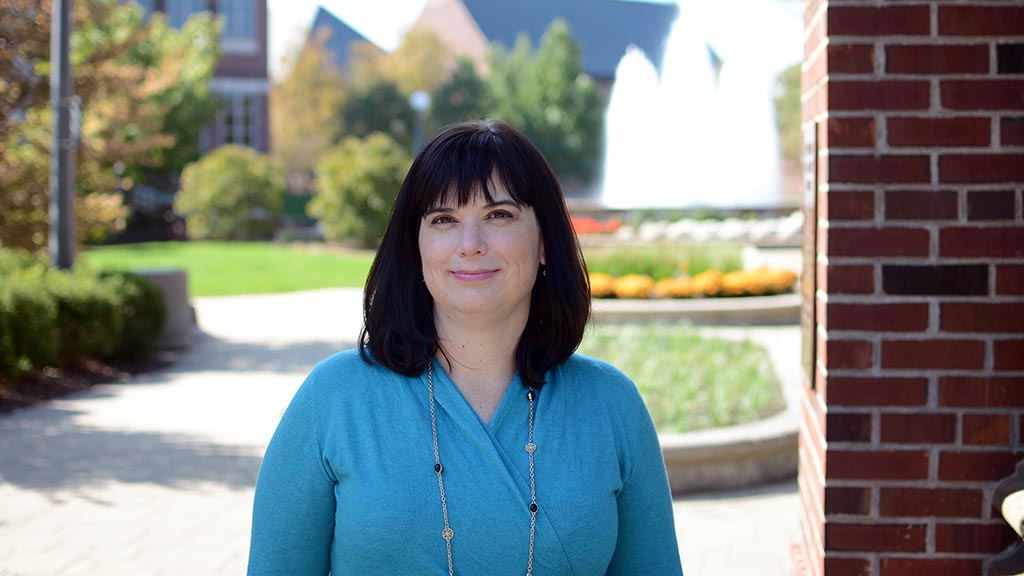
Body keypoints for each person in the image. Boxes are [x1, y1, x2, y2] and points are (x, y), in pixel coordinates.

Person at [247, 120, 683, 575]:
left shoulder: (612, 406)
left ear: (544, 243)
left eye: (499, 215)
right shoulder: (333, 398)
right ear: (416, 246)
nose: (470, 245)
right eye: (444, 220)